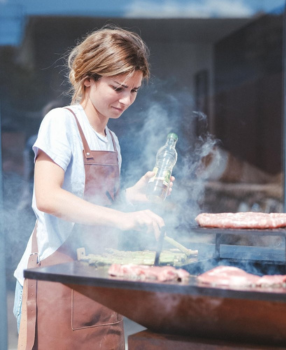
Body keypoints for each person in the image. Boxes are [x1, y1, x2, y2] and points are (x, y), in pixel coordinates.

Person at [13, 27, 173, 350]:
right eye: (118, 88)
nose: (127, 100)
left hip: (98, 284)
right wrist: (123, 220)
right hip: (55, 282)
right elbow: (48, 196)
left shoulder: (112, 141)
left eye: (135, 90)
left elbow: (94, 204)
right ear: (89, 79)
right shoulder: (61, 123)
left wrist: (131, 197)